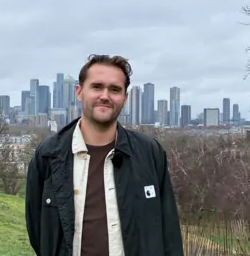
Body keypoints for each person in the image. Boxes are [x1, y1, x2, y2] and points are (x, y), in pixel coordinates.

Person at [25, 54, 184, 256]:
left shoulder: (149, 153)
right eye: (97, 87)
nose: (105, 96)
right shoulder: (48, 155)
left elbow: (169, 232)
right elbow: (38, 231)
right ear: (79, 92)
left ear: (125, 98)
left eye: (115, 89)